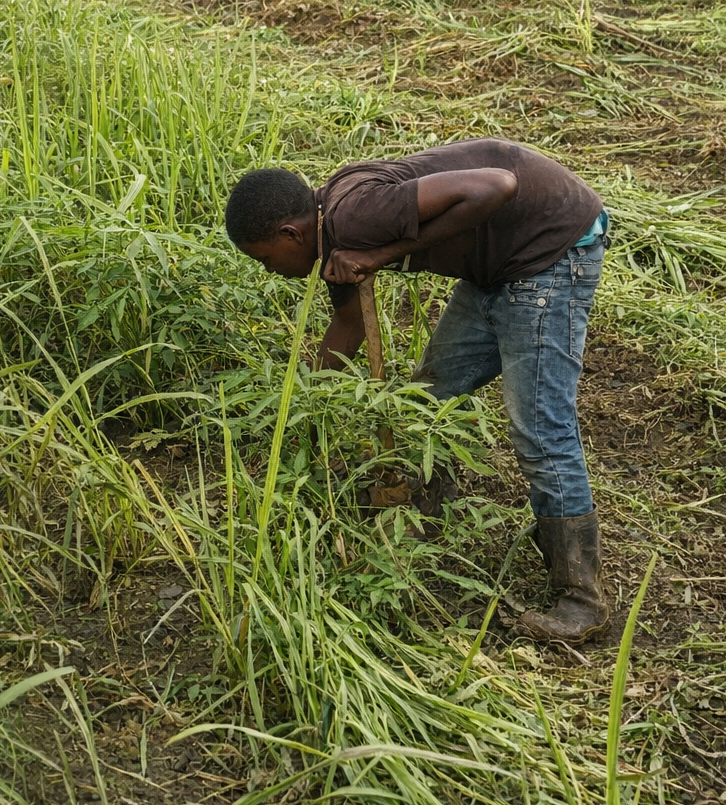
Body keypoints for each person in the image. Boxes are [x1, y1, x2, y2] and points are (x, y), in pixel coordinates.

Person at [224, 139, 611, 644]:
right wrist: (302, 408)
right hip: (495, 265)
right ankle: (429, 506)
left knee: (539, 428)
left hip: (550, 252)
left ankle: (583, 599)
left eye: (264, 259)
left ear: (290, 233)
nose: (269, 270)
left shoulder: (357, 219)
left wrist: (381, 254)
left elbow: (496, 185)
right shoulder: (331, 234)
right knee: (428, 396)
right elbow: (347, 326)